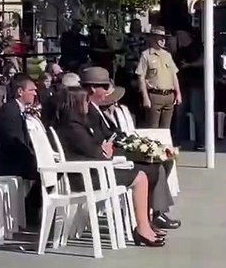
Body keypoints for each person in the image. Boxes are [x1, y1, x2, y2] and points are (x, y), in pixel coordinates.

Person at [50, 86, 165, 248]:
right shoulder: (73, 126)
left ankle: (144, 225)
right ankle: (142, 229)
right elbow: (97, 154)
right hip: (84, 177)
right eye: (85, 101)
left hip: (89, 172)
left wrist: (104, 150)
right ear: (76, 103)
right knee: (140, 178)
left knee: (142, 173)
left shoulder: (72, 123)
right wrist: (106, 150)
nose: (88, 104)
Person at [0, 73, 41, 227]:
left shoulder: (17, 109)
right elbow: (14, 144)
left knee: (47, 169)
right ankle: (30, 210)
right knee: (46, 172)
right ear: (20, 92)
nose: (35, 93)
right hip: (2, 162)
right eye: (32, 90)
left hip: (10, 157)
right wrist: (36, 159)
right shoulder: (10, 112)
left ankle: (30, 208)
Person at [136, 27, 181, 130]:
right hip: (154, 95)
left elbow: (174, 75)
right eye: (159, 38)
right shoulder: (146, 55)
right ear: (152, 38)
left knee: (166, 128)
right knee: (153, 127)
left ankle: (165, 146)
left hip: (169, 95)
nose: (162, 41)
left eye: (164, 38)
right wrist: (145, 97)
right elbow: (141, 76)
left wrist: (178, 93)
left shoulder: (167, 55)